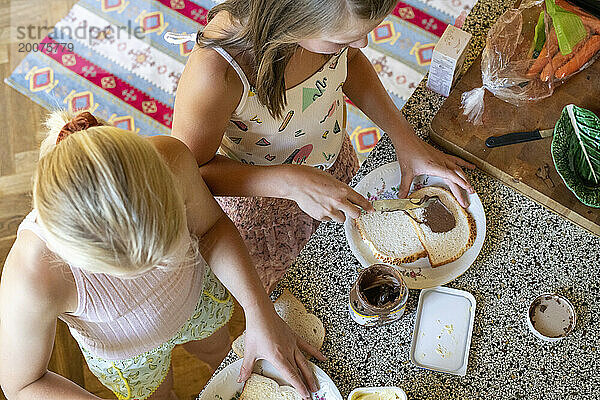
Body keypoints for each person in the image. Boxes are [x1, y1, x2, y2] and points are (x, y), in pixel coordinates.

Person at [0, 111, 324, 400]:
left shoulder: (170, 159)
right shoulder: (31, 276)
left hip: (196, 304)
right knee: (159, 392)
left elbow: (211, 227)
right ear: (69, 252)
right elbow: (22, 383)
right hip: (128, 354)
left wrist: (259, 313)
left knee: (219, 352)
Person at [170, 0, 475, 292]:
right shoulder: (216, 73)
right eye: (342, 42)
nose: (363, 45)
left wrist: (404, 138)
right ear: (292, 19)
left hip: (333, 164)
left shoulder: (330, 34)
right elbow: (189, 172)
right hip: (261, 204)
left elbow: (351, 63)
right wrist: (291, 182)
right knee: (289, 284)